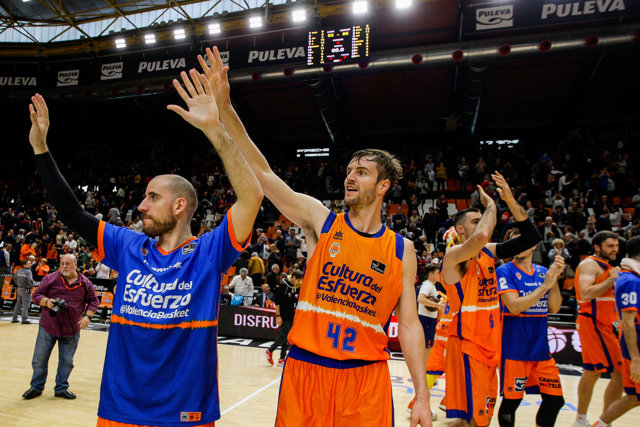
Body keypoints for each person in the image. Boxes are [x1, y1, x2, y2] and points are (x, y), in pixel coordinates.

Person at [201, 46, 431, 426]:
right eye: (350, 170)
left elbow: (408, 325)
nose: (350, 176)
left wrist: (421, 393)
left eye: (362, 172)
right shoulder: (320, 220)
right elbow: (263, 174)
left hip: (365, 378)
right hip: (307, 370)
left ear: (384, 185)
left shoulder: (402, 250)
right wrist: (226, 109)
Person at [26, 71, 262, 426]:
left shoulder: (208, 253)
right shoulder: (127, 245)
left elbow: (252, 196)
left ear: (180, 206)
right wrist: (41, 148)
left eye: (153, 197)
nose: (141, 206)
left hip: (184, 413)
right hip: (121, 410)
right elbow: (72, 212)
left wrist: (216, 129)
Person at [440, 172, 541, 427]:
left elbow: (531, 239)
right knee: (477, 420)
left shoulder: (488, 252)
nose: (483, 221)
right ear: (460, 230)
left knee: (472, 419)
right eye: (476, 220)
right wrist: (492, 206)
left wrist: (509, 200)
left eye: (481, 218)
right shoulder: (453, 257)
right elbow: (482, 236)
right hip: (466, 344)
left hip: (489, 346)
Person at [496, 231, 566, 427]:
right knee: (512, 401)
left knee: (555, 400)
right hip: (514, 348)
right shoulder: (505, 271)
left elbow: (555, 307)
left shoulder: (544, 271)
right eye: (513, 242)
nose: (517, 245)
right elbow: (515, 307)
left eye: (522, 241)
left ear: (533, 246)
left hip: (541, 350)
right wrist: (545, 286)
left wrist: (554, 280)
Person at [22, 254, 99, 400]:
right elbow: (36, 295)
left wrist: (87, 317)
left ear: (76, 265)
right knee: (39, 359)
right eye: (62, 263)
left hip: (71, 329)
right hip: (48, 326)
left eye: (68, 263)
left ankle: (61, 388)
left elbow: (94, 301)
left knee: (67, 361)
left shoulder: (85, 283)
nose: (64, 266)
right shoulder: (50, 278)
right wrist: (47, 302)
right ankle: (36, 387)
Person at [572, 231, 624, 426]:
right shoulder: (589, 265)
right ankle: (584, 419)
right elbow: (585, 293)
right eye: (610, 246)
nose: (615, 250)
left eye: (616, 246)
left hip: (607, 324)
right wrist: (611, 279)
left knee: (612, 373)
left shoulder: (609, 267)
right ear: (597, 247)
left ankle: (602, 419)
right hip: (592, 321)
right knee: (595, 371)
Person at [591, 235, 640, 426]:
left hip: (633, 343)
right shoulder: (630, 280)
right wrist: (636, 359)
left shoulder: (632, 277)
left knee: (634, 397)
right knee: (633, 396)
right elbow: (628, 323)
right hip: (635, 345)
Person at [408, 263, 445, 420]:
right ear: (431, 274)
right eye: (437, 272)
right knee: (425, 361)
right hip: (425, 321)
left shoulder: (431, 286)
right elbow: (420, 299)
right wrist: (437, 305)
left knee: (426, 360)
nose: (439, 275)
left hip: (428, 321)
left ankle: (420, 397)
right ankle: (418, 400)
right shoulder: (428, 285)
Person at [265, 269, 302, 367]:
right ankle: (270, 351)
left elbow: (290, 299)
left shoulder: (293, 286)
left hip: (291, 314)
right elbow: (277, 302)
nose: (299, 282)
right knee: (284, 335)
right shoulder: (283, 285)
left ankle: (282, 358)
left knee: (287, 336)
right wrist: (278, 316)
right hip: (283, 315)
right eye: (298, 280)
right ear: (293, 277)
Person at [12, 259, 35, 324]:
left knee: (18, 304)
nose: (30, 264)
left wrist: (19, 284)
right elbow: (30, 280)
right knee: (26, 305)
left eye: (30, 263)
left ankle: (14, 318)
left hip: (19, 289)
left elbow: (15, 279)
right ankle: (24, 319)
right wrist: (31, 286)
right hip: (25, 290)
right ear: (24, 265)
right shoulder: (28, 272)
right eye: (28, 263)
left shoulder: (18, 270)